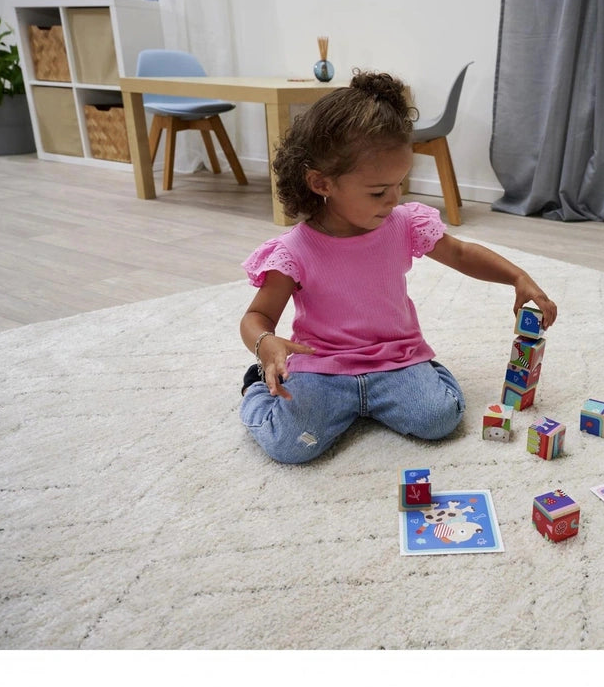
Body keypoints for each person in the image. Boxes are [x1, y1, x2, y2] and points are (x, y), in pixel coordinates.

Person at [239, 69, 558, 464]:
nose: (393, 199)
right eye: (378, 191)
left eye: (399, 185)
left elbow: (459, 253)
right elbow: (257, 315)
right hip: (323, 366)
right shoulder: (294, 250)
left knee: (440, 418)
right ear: (322, 184)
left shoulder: (404, 223)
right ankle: (255, 387)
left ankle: (419, 375)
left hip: (395, 358)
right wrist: (264, 344)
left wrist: (518, 277)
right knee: (290, 444)